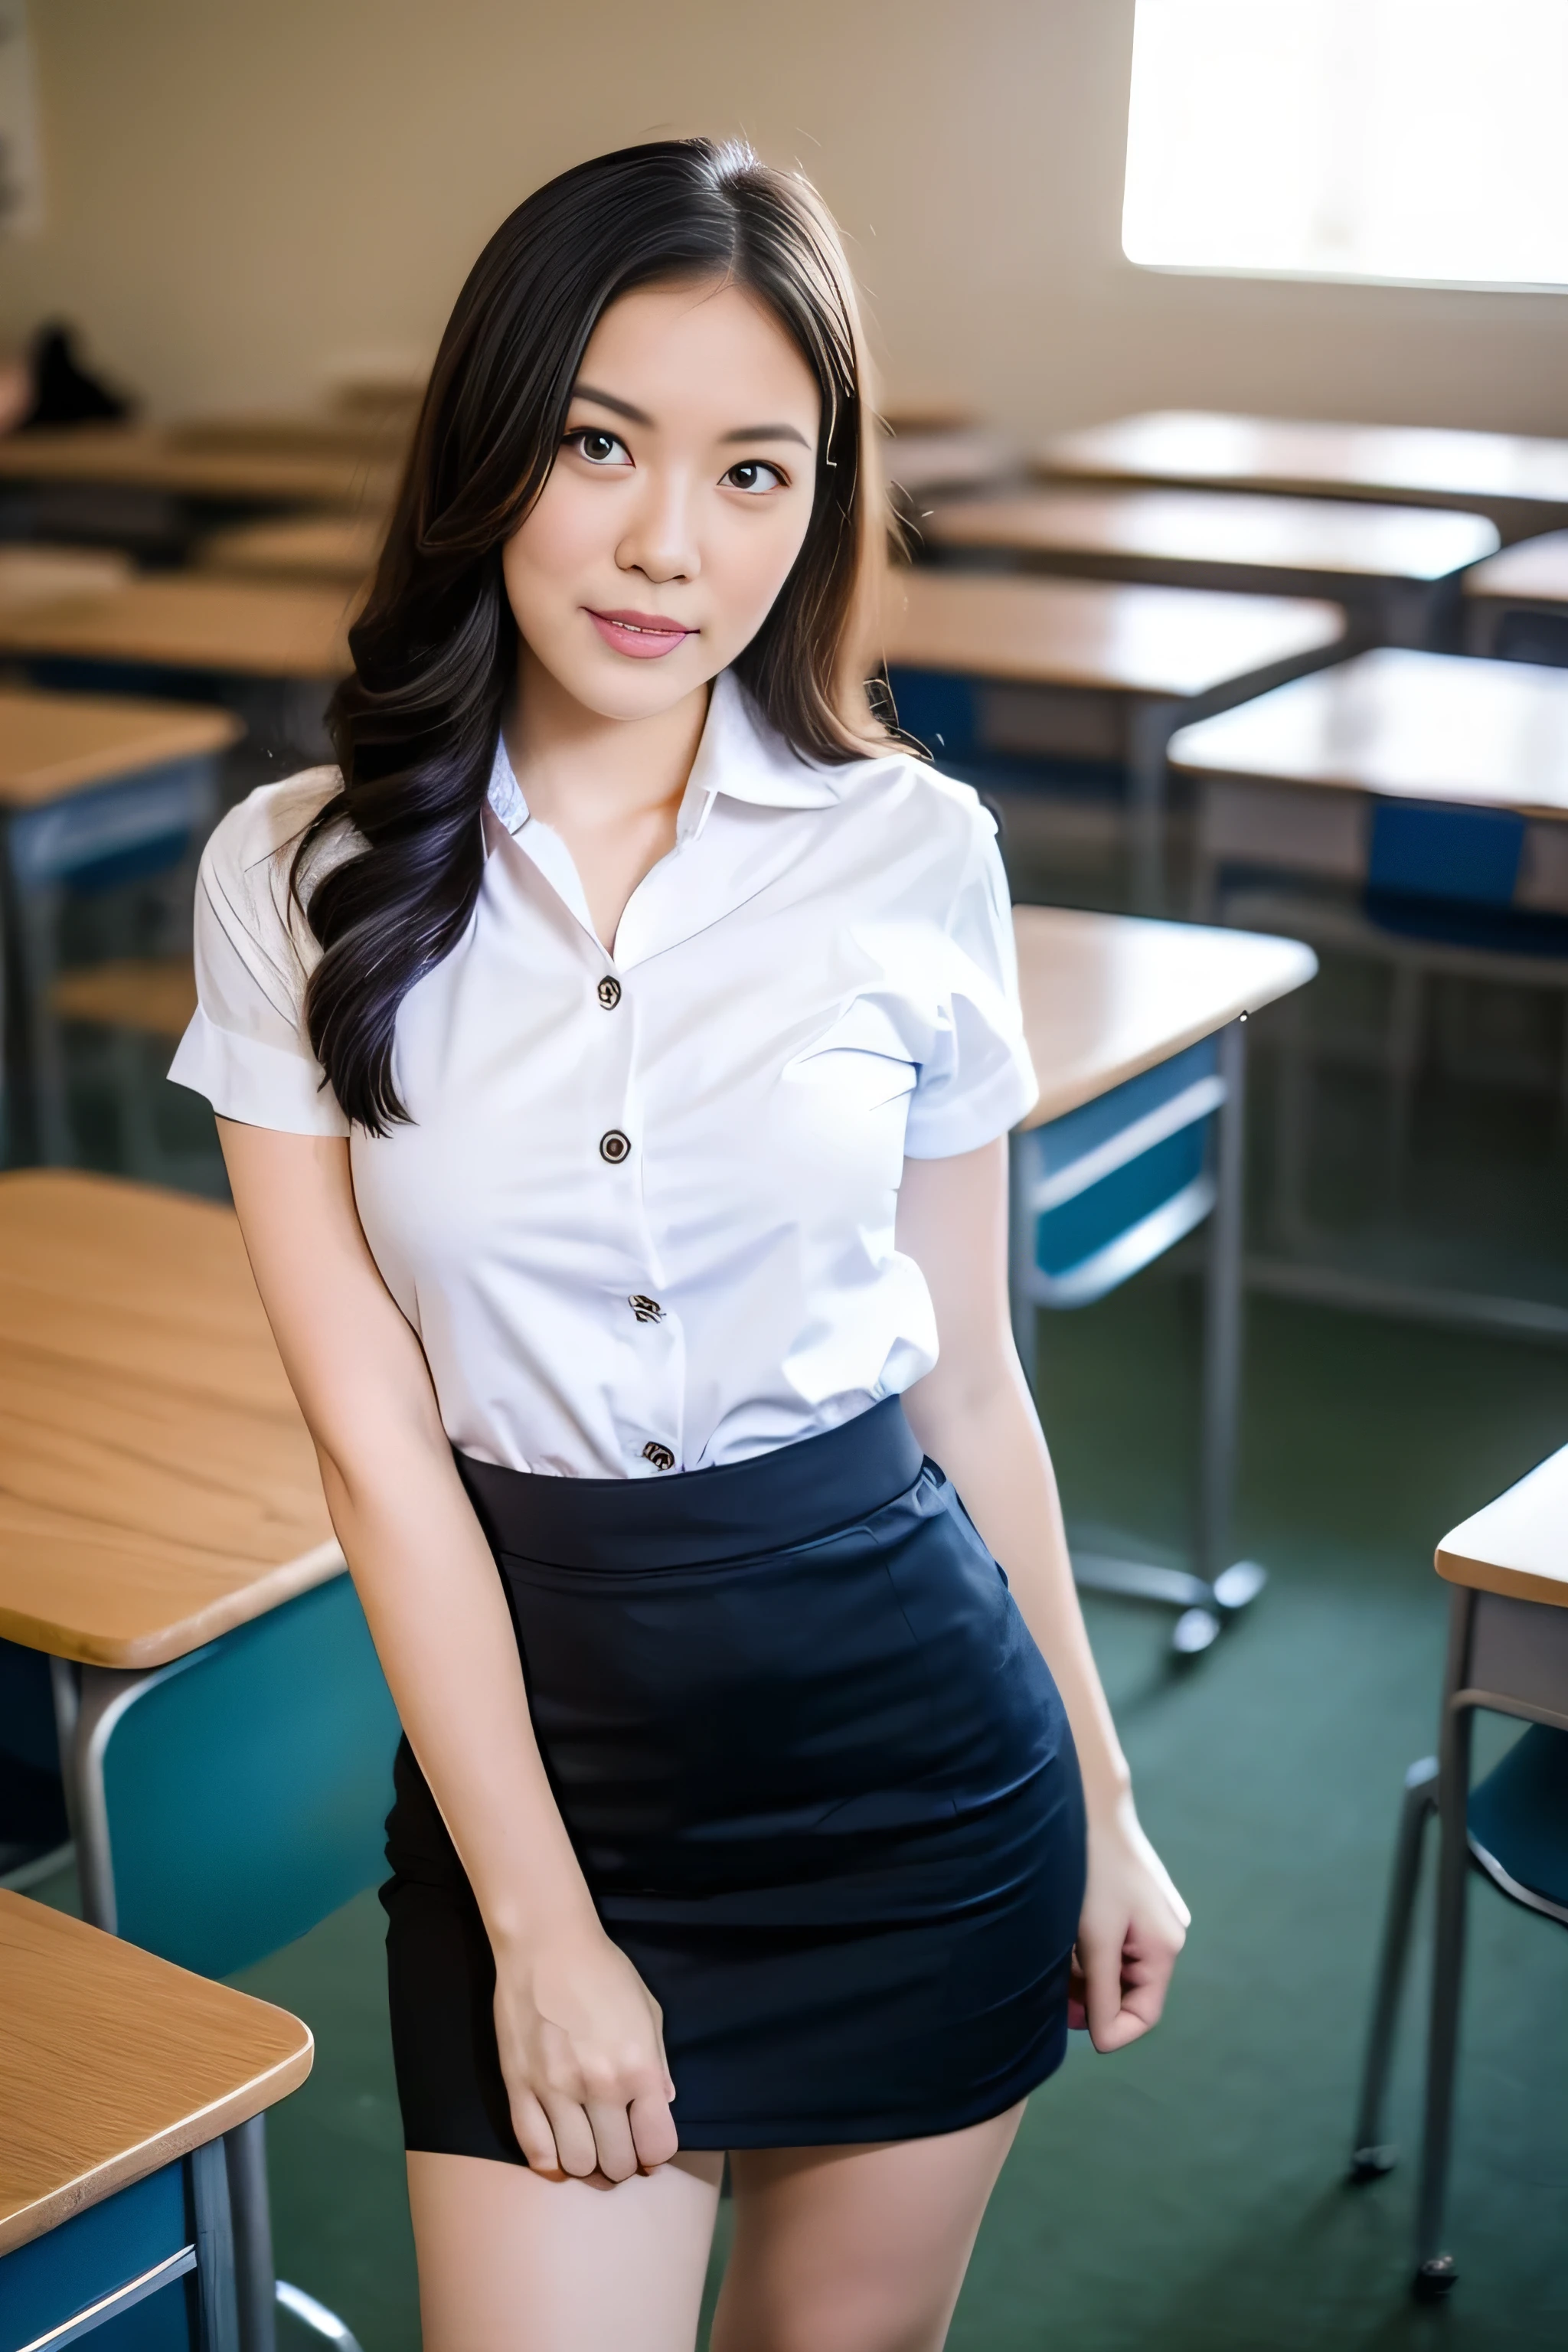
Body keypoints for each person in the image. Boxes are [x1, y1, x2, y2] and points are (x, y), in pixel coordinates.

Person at [171, 139, 1188, 2352]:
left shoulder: (915, 852)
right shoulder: (295, 876)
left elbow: (966, 1379)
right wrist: (537, 1923)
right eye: (600, 442)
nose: (668, 543)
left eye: (757, 471)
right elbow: (379, 1462)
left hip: (922, 1768)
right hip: (542, 1770)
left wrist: (1108, 1803)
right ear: (490, 445)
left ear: (821, 505)